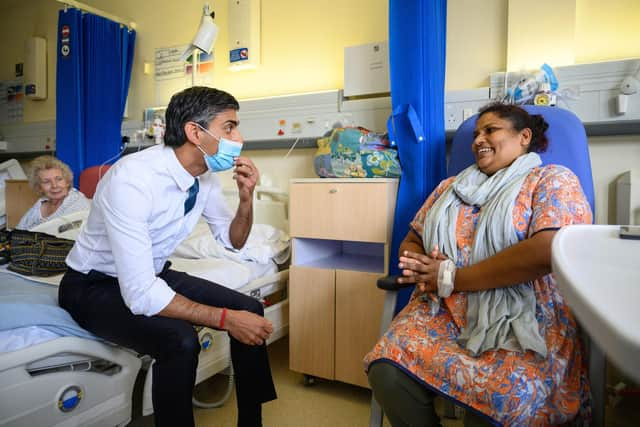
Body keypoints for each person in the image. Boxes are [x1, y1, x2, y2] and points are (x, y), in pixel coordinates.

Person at [58, 86, 277, 427]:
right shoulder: (133, 180)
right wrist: (224, 320)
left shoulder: (204, 179)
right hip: (92, 286)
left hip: (152, 271)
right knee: (180, 340)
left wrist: (247, 200)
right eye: (230, 127)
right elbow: (141, 293)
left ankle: (252, 421)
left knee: (248, 307)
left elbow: (232, 242)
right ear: (195, 132)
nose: (240, 137)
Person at [365, 103, 592, 426]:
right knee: (386, 369)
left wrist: (454, 276)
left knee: (504, 395)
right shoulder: (450, 188)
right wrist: (425, 265)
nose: (478, 140)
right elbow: (412, 239)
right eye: (475, 134)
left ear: (524, 136)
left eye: (491, 130)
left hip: (522, 317)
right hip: (441, 312)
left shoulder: (551, 181)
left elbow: (545, 251)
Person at [16, 155, 90, 230]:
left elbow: (65, 234)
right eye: (46, 182)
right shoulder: (40, 204)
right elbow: (19, 230)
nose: (54, 185)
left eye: (59, 179)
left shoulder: (79, 205)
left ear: (67, 182)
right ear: (39, 187)